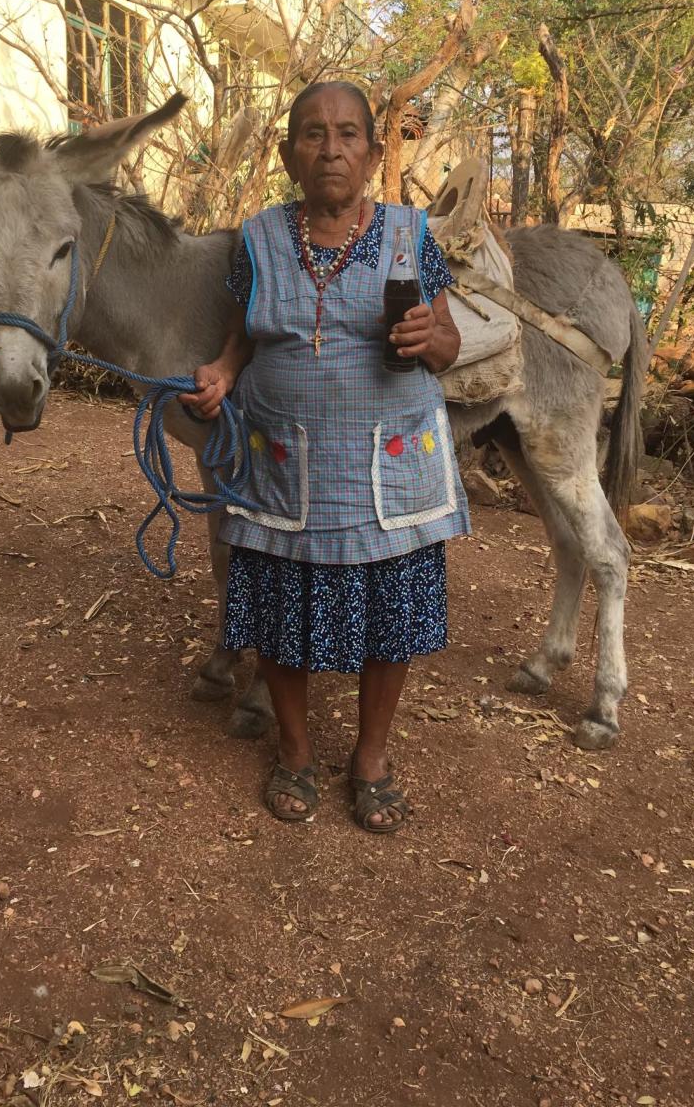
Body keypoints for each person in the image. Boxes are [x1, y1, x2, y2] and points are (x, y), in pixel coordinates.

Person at [180, 82, 470, 833]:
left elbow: (449, 340)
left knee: (392, 616)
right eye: (313, 134)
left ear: (374, 155)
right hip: (285, 461)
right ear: (288, 154)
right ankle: (297, 754)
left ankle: (371, 759)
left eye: (347, 135)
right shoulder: (257, 239)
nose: (331, 148)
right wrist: (222, 372)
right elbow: (246, 334)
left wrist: (430, 341)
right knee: (279, 614)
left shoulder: (412, 236)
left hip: (388, 466)